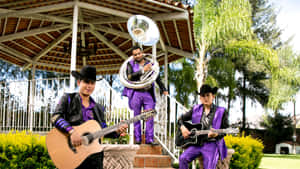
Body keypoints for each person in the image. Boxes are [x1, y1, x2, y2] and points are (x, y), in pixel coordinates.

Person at [51, 65, 127, 169]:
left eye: (92, 83)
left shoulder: (98, 108)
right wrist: (71, 131)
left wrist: (116, 131)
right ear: (79, 82)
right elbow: (55, 117)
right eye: (86, 82)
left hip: (94, 158)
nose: (89, 86)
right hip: (73, 155)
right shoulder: (68, 99)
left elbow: (102, 130)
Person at [122, 46, 168, 145]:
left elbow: (157, 77)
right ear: (133, 56)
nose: (138, 56)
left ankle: (149, 139)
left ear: (142, 52)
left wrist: (163, 89)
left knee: (150, 116)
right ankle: (137, 139)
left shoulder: (150, 63)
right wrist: (143, 70)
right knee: (136, 116)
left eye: (139, 53)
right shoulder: (130, 64)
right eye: (135, 54)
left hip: (148, 93)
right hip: (136, 93)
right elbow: (129, 77)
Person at [178, 84, 229, 169]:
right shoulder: (195, 109)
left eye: (207, 95)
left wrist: (216, 134)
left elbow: (226, 130)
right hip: (196, 143)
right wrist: (182, 128)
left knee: (209, 167)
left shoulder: (221, 111)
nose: (205, 98)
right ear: (200, 98)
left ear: (213, 96)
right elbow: (180, 119)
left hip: (212, 143)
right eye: (203, 96)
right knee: (182, 158)